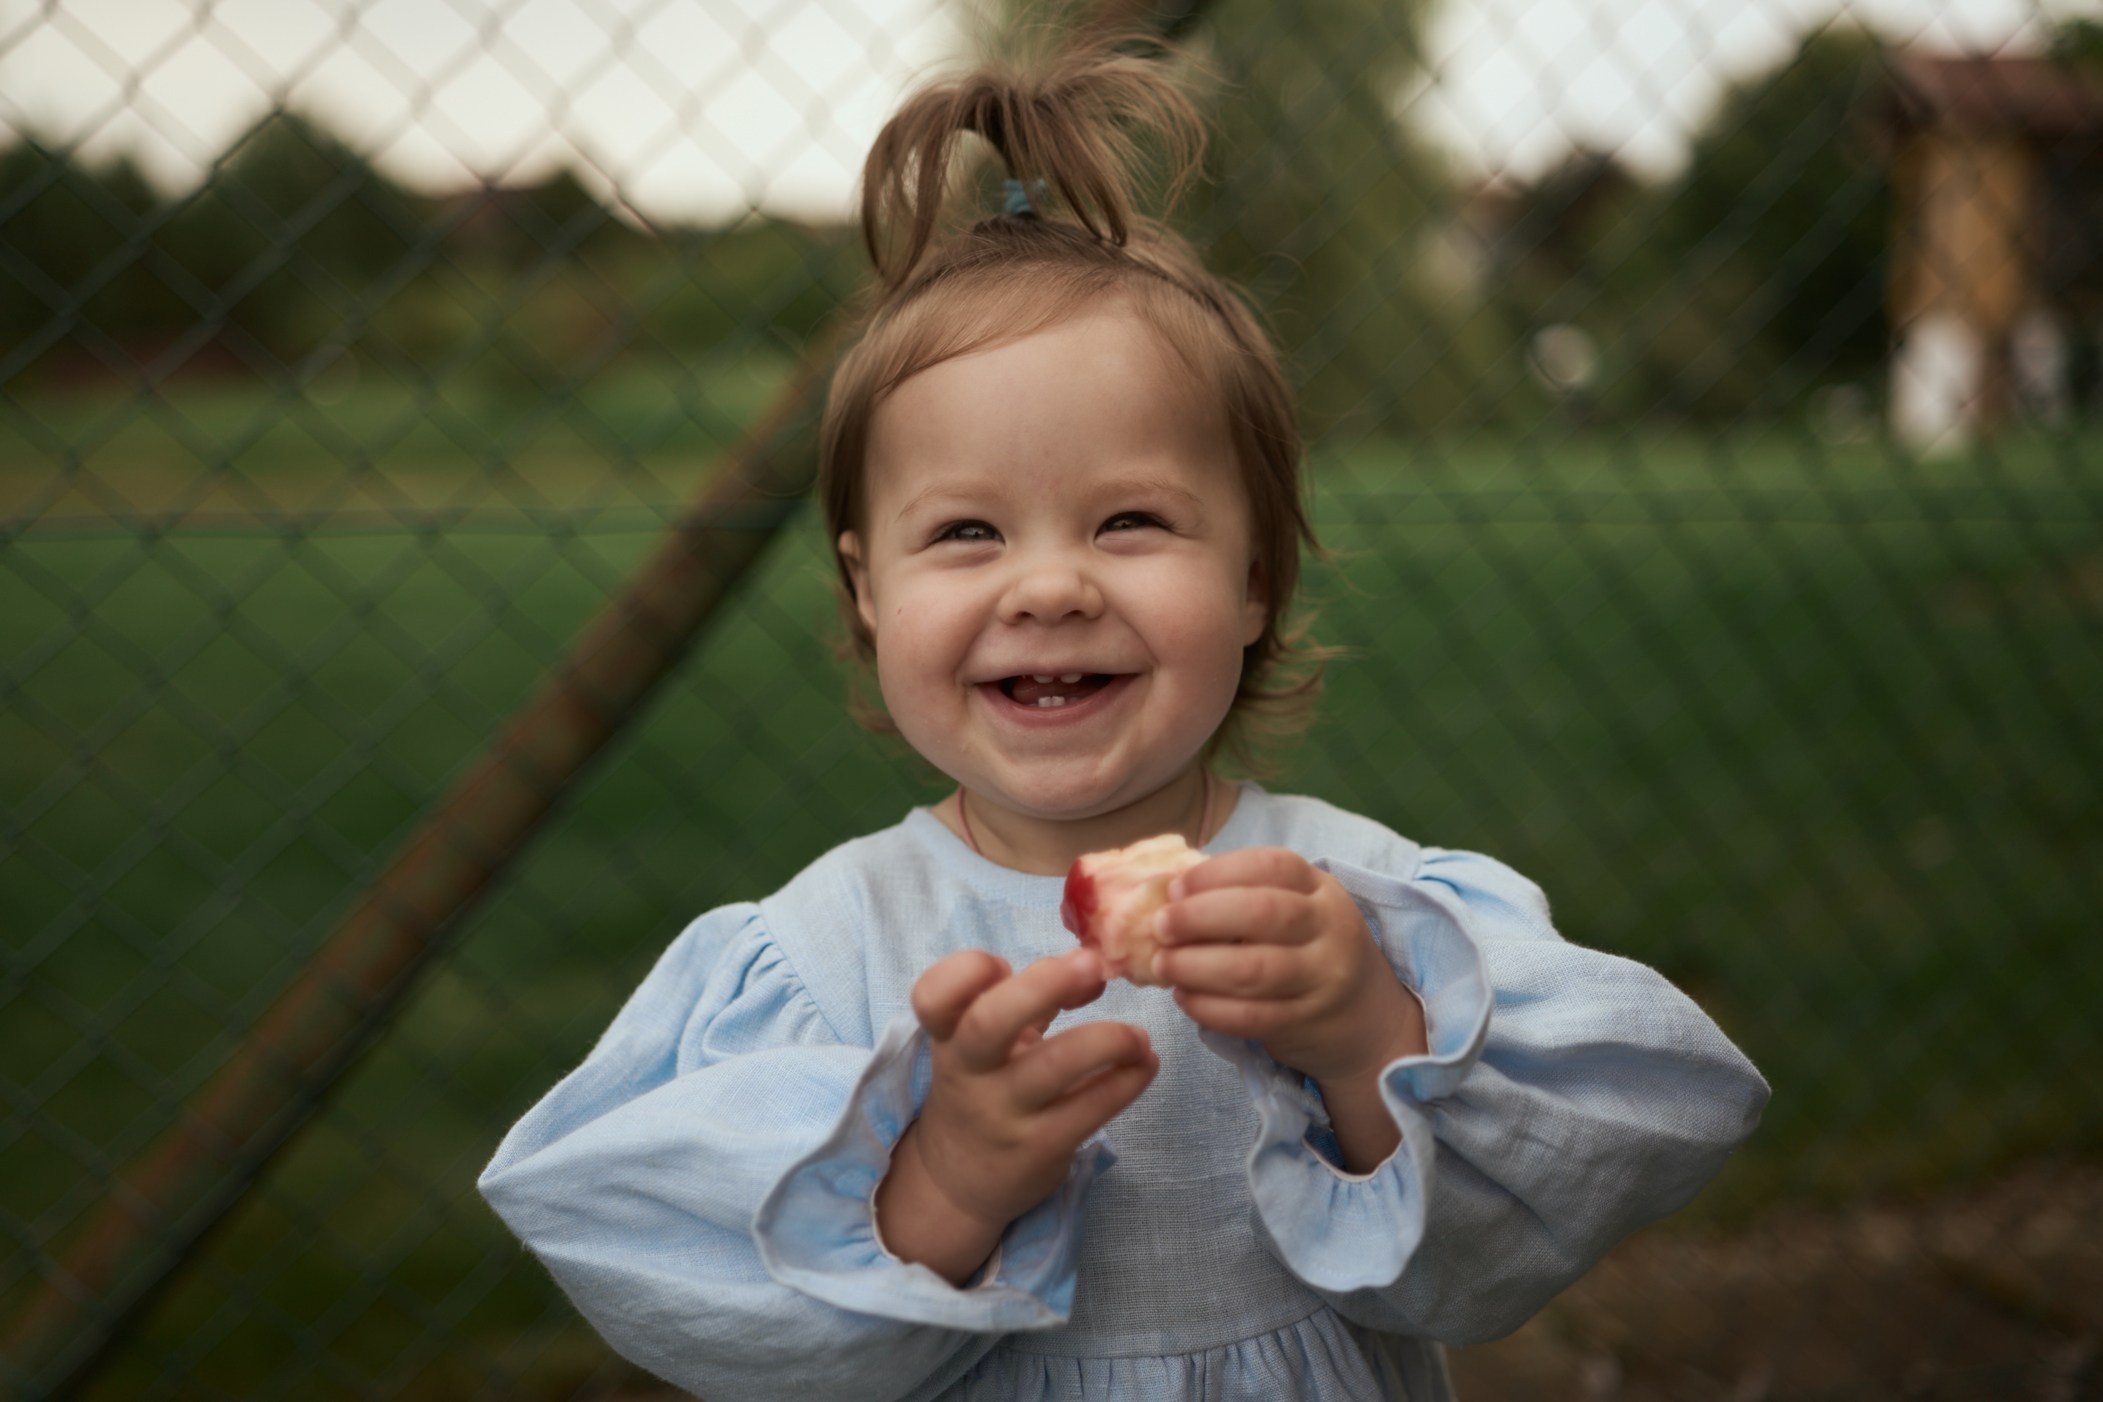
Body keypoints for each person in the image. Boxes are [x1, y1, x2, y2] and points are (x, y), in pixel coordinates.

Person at [479, 40, 1768, 1402]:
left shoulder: (1361, 910)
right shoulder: (825, 961)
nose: (1049, 586)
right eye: (967, 530)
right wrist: (944, 1178)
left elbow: (1566, 1190)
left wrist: (1366, 1032)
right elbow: (726, 1308)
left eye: (1131, 520)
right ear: (868, 593)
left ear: (1258, 575)